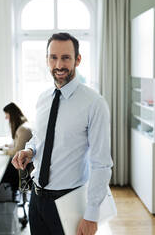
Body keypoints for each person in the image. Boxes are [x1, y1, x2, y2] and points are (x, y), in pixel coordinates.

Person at [12, 33, 113, 235]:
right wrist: (30, 151)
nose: (59, 64)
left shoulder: (94, 103)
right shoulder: (42, 99)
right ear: (47, 60)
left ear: (78, 59)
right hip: (37, 199)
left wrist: (91, 215)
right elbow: (40, 137)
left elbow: (101, 164)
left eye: (66, 57)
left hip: (69, 202)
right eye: (53, 57)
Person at [0, 102, 32, 193]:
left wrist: (1, 150)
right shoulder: (23, 126)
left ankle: (5, 198)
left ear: (12, 115)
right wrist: (0, 147)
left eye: (7, 115)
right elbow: (16, 144)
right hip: (22, 166)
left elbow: (17, 151)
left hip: (21, 169)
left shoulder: (23, 129)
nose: (6, 118)